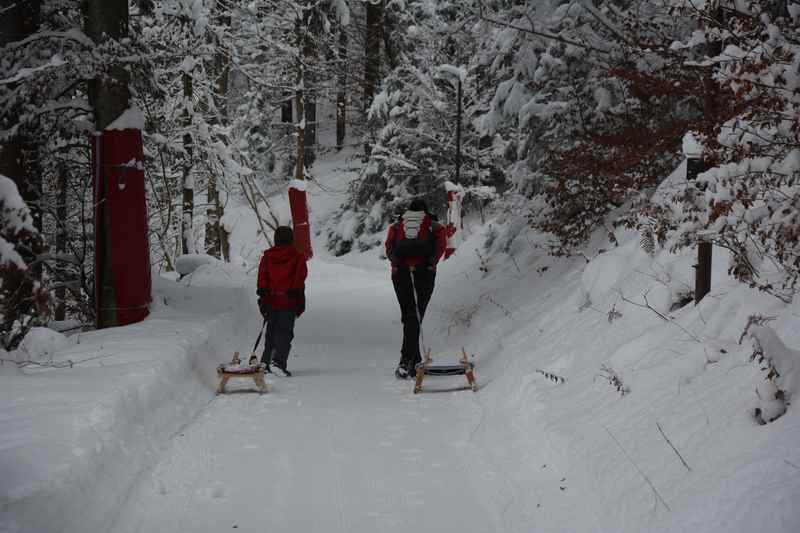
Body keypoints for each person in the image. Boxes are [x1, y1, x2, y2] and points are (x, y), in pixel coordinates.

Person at [385, 199, 447, 379]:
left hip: (400, 274)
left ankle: (413, 361)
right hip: (424, 274)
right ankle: (406, 360)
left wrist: (398, 263)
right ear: (426, 212)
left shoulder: (397, 226)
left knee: (409, 316)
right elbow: (441, 247)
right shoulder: (435, 227)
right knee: (416, 316)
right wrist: (429, 264)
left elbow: (388, 247)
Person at [256, 226, 308, 377]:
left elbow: (262, 277)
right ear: (291, 239)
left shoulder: (267, 257)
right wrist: (295, 293)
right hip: (288, 301)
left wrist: (263, 294)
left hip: (271, 300)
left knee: (270, 331)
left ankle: (266, 362)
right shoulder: (297, 256)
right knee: (284, 333)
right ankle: (278, 362)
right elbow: (300, 277)